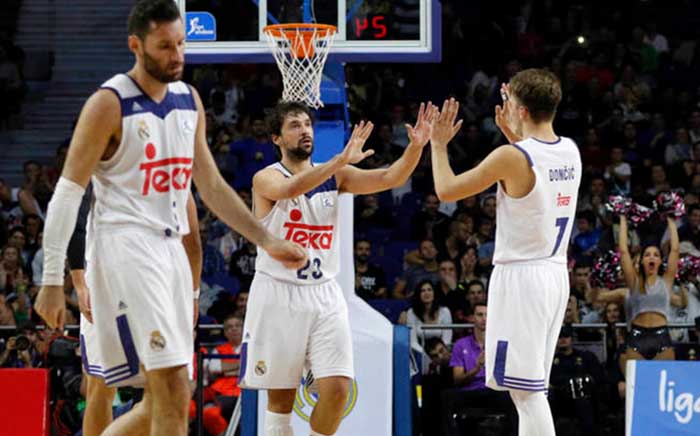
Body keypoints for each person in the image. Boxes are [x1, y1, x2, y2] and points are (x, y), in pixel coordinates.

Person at [33, 2, 307, 435]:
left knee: (171, 397)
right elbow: (67, 195)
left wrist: (267, 240)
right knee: (166, 384)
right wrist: (52, 280)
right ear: (136, 46)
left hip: (169, 251)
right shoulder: (108, 104)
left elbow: (212, 187)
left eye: (180, 44)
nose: (177, 55)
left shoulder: (188, 100)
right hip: (124, 247)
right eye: (165, 46)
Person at [242, 100, 435, 436]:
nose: (304, 130)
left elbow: (392, 176)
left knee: (338, 389)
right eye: (294, 125)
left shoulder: (337, 175)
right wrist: (338, 161)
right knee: (280, 405)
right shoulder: (266, 178)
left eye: (307, 124)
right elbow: (291, 189)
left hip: (324, 293)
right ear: (276, 138)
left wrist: (416, 147)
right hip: (278, 293)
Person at [430, 69, 582, 436]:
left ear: (523, 110)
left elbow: (447, 190)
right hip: (553, 274)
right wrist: (513, 134)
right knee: (531, 390)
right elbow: (532, 172)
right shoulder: (569, 149)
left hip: (523, 279)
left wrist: (437, 144)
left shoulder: (511, 157)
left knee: (526, 395)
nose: (505, 108)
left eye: (510, 102)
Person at [67, 183, 202, 436]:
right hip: (122, 281)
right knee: (111, 386)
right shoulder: (110, 156)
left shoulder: (171, 162)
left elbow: (192, 236)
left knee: (165, 389)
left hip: (142, 279)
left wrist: (193, 294)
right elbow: (74, 218)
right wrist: (78, 281)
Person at [588, 214, 682, 376]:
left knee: (663, 388)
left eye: (656, 255)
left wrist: (672, 221)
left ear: (660, 261)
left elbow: (675, 250)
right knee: (636, 388)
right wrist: (624, 218)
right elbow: (623, 251)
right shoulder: (633, 283)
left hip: (662, 336)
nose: (651, 257)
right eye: (647, 255)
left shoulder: (666, 281)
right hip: (637, 336)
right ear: (641, 262)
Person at [399, 280, 453, 346]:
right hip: (419, 352)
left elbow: (447, 340)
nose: (426, 293)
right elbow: (413, 342)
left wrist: (439, 354)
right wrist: (425, 355)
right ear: (418, 295)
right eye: (422, 291)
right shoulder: (411, 312)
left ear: (434, 293)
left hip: (441, 352)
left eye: (429, 290)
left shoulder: (445, 311)